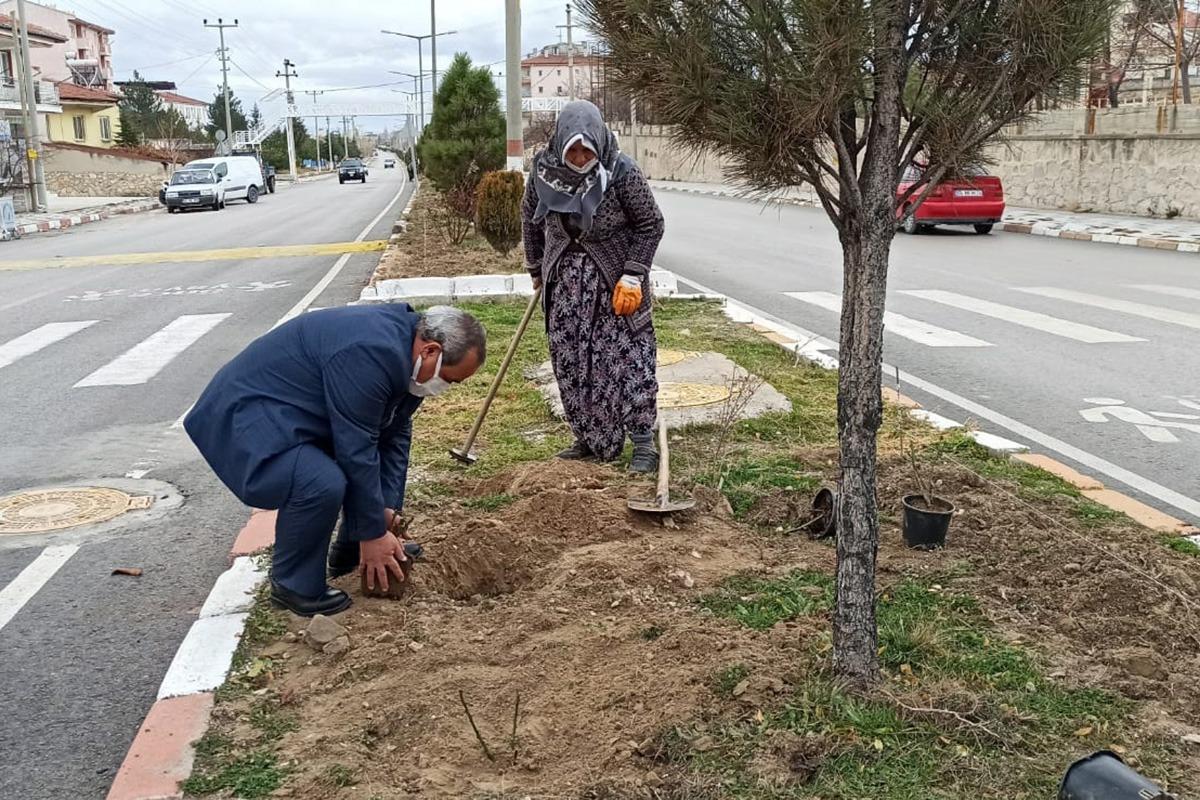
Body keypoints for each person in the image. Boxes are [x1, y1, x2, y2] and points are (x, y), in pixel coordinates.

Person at [185, 305, 486, 617]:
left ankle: (350, 552)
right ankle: (294, 585)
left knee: (359, 466)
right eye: (449, 380)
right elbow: (356, 449)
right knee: (319, 481)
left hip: (296, 416)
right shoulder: (369, 353)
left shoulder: (410, 361)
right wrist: (371, 534)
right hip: (247, 419)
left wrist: (386, 517)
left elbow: (394, 436)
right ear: (431, 350)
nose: (446, 389)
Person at [522, 100, 666, 473]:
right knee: (571, 362)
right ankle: (588, 437)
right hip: (566, 289)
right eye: (575, 149)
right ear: (561, 143)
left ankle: (644, 445)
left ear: (599, 141)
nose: (582, 156)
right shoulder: (543, 171)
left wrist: (634, 273)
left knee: (627, 362)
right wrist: (536, 266)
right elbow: (530, 218)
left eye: (588, 148)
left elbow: (651, 224)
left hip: (616, 288)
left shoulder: (621, 172)